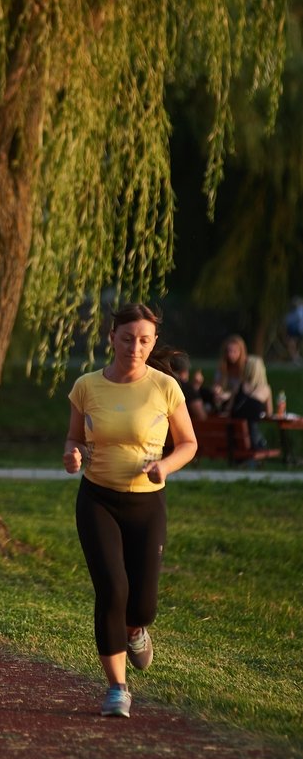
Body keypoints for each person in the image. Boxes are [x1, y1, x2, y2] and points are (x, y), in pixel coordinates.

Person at [63, 303, 197, 718]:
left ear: (153, 342)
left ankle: (136, 628)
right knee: (112, 590)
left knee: (142, 606)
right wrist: (72, 455)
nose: (134, 348)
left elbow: (188, 443)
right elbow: (73, 441)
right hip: (98, 498)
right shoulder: (87, 385)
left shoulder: (165, 387)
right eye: (126, 339)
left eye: (143, 340)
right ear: (111, 339)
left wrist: (165, 465)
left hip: (146, 503)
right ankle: (117, 688)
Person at [228, 354, 273, 451]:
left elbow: (229, 408)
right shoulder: (265, 390)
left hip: (234, 438)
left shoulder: (238, 387)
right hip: (252, 440)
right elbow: (269, 414)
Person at [211, 334, 248, 411]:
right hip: (223, 402)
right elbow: (216, 385)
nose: (230, 354)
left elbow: (246, 392)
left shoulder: (246, 368)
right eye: (229, 351)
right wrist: (217, 390)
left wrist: (229, 395)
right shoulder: (222, 367)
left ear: (241, 352)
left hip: (240, 404)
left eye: (235, 351)